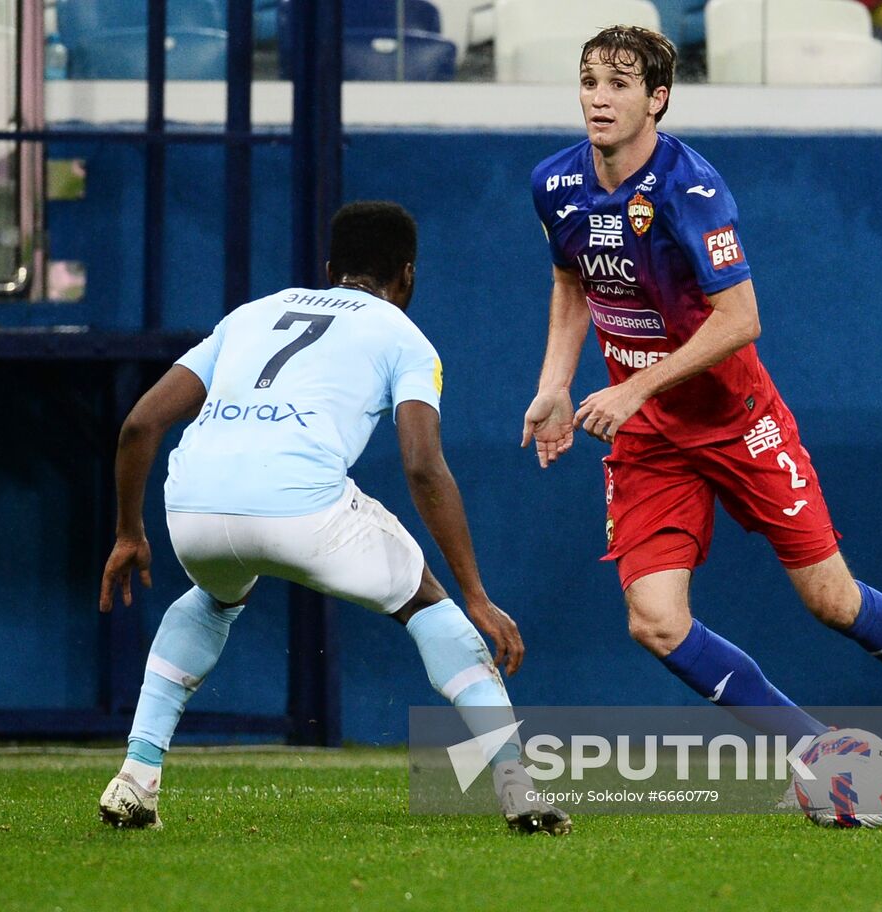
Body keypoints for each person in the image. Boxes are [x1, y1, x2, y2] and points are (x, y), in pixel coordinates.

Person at [519, 26, 882, 793]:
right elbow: (572, 281)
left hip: (737, 420)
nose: (598, 98)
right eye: (589, 80)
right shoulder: (554, 184)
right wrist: (555, 384)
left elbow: (740, 319)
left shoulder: (690, 190)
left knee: (832, 601)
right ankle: (814, 753)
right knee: (655, 622)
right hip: (649, 441)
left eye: (619, 84)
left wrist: (634, 385)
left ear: (657, 99)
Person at [98, 201, 571, 835]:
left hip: (191, 508)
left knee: (213, 598)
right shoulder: (405, 337)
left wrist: (131, 533)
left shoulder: (250, 315)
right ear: (407, 276)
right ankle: (518, 789)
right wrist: (476, 595)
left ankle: (137, 775)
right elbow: (423, 465)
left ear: (328, 268)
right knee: (426, 602)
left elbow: (140, 425)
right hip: (301, 508)